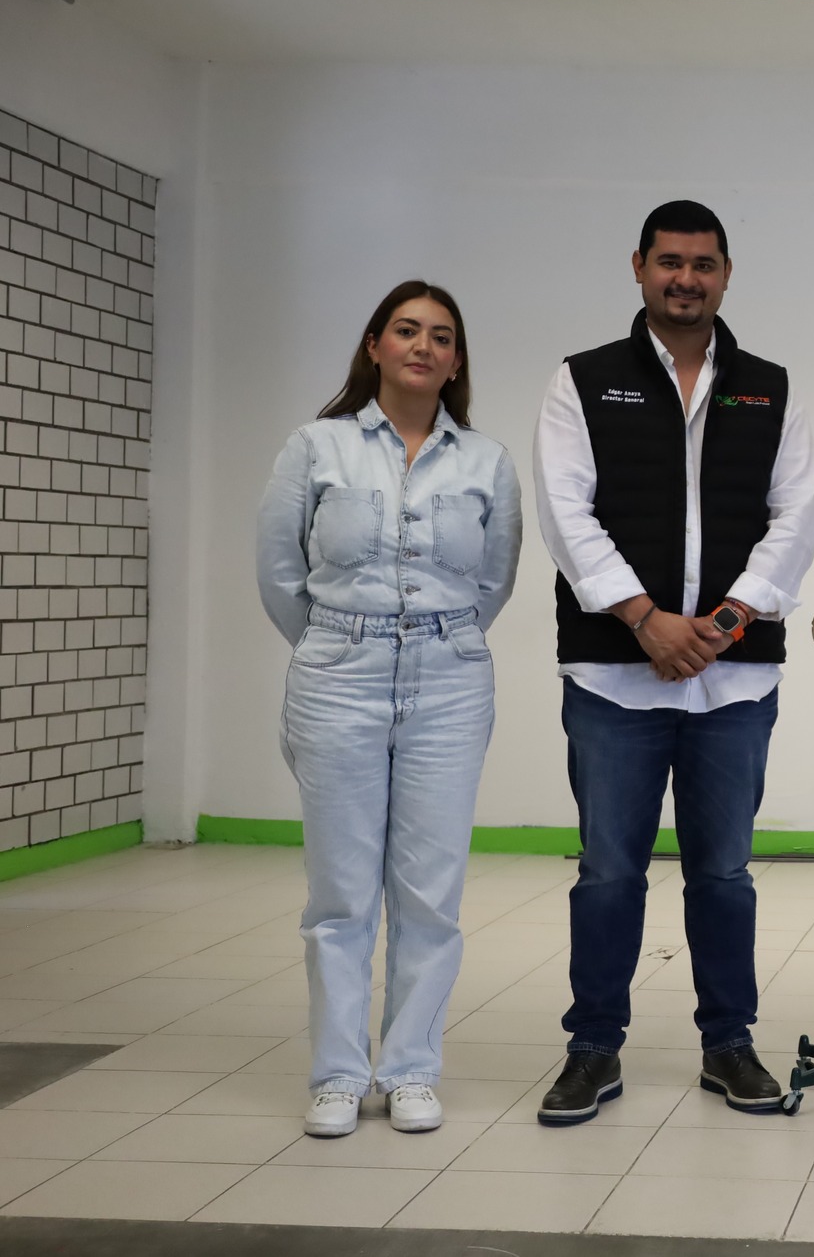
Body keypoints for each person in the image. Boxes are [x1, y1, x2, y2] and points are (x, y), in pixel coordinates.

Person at [532, 200, 814, 1124]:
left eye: (702, 264)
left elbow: (796, 518)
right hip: (613, 679)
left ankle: (729, 1043)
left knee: (724, 874)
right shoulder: (584, 381)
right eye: (669, 262)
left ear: (726, 273)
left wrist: (721, 624)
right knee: (608, 873)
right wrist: (646, 620)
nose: (685, 279)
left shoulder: (771, 389)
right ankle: (593, 1048)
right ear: (639, 267)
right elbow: (566, 514)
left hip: (734, 681)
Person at [257, 281, 522, 1139]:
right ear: (374, 345)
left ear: (456, 359)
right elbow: (280, 573)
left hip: (450, 682)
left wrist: (433, 640)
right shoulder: (317, 446)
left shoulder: (486, 462)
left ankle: (410, 1069)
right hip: (338, 676)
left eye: (441, 336)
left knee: (430, 895)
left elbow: (492, 582)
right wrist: (341, 643)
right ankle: (338, 1073)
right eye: (406, 330)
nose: (423, 346)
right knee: (339, 894)